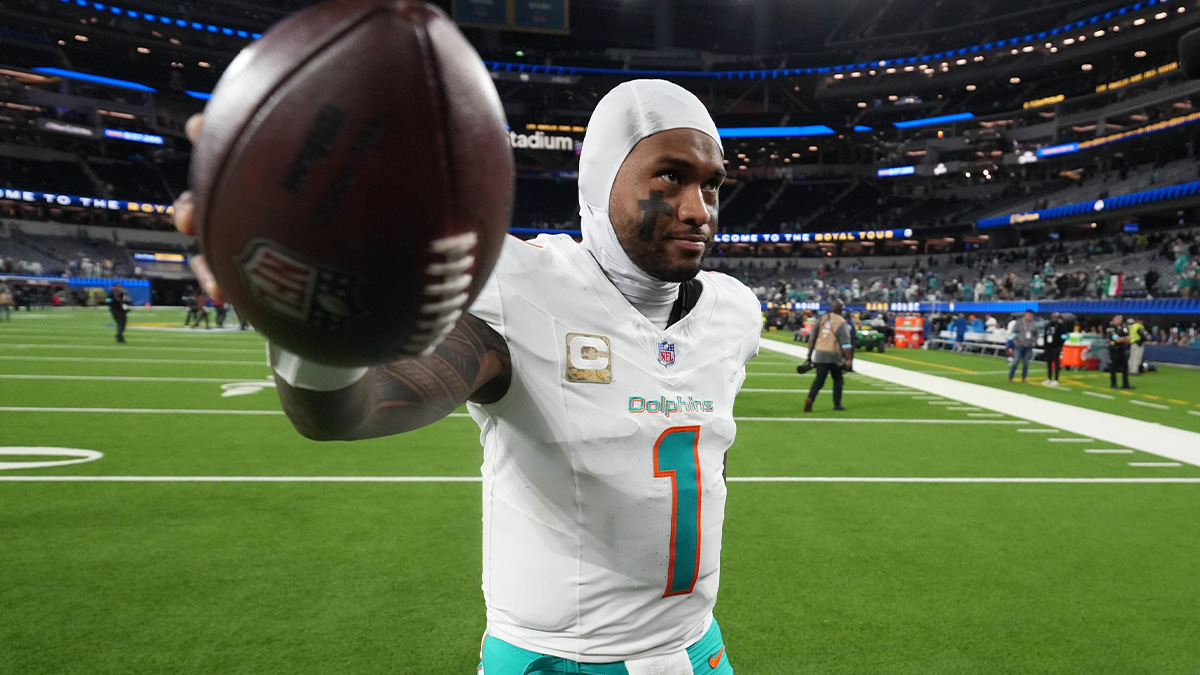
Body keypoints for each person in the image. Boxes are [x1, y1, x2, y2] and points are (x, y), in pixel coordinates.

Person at [175, 80, 758, 674]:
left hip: (696, 649)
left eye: (711, 184)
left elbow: (704, 463)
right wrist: (308, 322)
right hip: (556, 660)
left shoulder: (734, 312)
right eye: (670, 177)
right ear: (602, 178)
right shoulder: (522, 287)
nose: (697, 209)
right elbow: (347, 410)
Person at [801, 299, 854, 413]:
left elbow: (812, 338)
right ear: (841, 309)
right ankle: (837, 404)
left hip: (820, 354)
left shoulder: (821, 319)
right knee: (838, 379)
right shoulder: (841, 322)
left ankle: (810, 399)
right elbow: (845, 344)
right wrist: (849, 359)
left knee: (819, 380)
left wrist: (810, 355)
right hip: (834, 355)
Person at [1008, 309, 1038, 383]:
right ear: (1025, 314)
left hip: (1029, 346)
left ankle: (1024, 377)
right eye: (1028, 314)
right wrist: (1015, 340)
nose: (1029, 316)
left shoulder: (1034, 324)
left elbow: (1036, 334)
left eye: (1031, 315)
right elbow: (1013, 332)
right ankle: (1011, 377)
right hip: (1019, 345)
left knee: (1026, 363)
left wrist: (1034, 342)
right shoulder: (1019, 322)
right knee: (1016, 361)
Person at [1108, 314, 1133, 390]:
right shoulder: (1111, 328)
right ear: (1114, 319)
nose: (1120, 320)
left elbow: (1129, 338)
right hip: (1114, 350)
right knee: (1114, 367)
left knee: (1125, 367)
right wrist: (1123, 339)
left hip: (1122, 349)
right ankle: (1114, 384)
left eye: (1121, 318)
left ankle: (1125, 384)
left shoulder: (1124, 327)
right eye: (1118, 318)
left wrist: (1122, 339)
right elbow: (1116, 339)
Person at [1041, 311, 1067, 385]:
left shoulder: (1060, 326)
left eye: (1055, 317)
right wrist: (1045, 345)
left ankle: (1056, 379)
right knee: (1049, 362)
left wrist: (1060, 344)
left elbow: (1064, 336)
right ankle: (1049, 378)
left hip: (1056, 346)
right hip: (1048, 346)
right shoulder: (1048, 325)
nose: (1054, 318)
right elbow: (1045, 335)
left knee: (1056, 363)